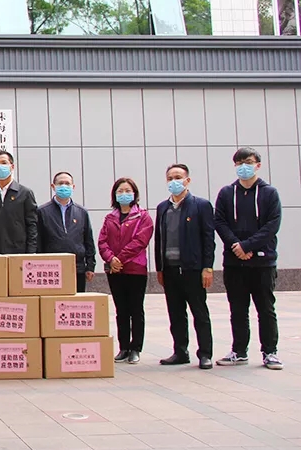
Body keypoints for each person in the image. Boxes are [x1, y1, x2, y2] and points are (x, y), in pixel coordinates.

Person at [214, 147, 283, 370]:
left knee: (265, 308)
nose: (244, 166)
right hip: (234, 262)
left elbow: (272, 225)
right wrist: (236, 246)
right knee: (238, 309)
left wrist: (247, 246)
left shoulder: (269, 193)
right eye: (239, 163)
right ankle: (239, 351)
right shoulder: (226, 193)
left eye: (249, 162)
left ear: (258, 165)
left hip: (262, 262)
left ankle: (270, 352)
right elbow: (220, 222)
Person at [154, 163, 216, 370]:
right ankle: (180, 351)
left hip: (192, 269)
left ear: (187, 180)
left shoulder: (201, 205)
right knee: (176, 314)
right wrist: (160, 268)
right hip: (170, 270)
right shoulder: (163, 208)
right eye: (170, 178)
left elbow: (208, 239)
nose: (174, 181)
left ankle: (205, 354)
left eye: (178, 177)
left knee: (200, 313)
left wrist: (207, 267)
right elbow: (159, 239)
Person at [98, 177, 154, 364]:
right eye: (120, 191)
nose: (124, 194)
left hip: (135, 269)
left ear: (134, 193)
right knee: (121, 309)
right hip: (115, 271)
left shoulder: (143, 217)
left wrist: (119, 259)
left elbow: (140, 241)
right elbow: (102, 241)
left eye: (127, 190)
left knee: (136, 309)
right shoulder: (110, 218)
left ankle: (135, 348)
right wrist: (110, 259)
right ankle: (123, 347)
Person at [36, 171, 96, 292]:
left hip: (77, 268)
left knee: (76, 300)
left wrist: (90, 266)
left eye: (67, 183)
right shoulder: (42, 211)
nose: (64, 186)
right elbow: (38, 242)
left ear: (73, 187)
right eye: (60, 183)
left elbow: (88, 240)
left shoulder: (81, 212)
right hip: (51, 269)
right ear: (53, 186)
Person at [0, 150, 38, 255]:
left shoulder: (25, 193)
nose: (0, 166)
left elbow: (32, 224)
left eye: (4, 163)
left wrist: (31, 252)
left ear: (12, 166)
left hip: (19, 252)